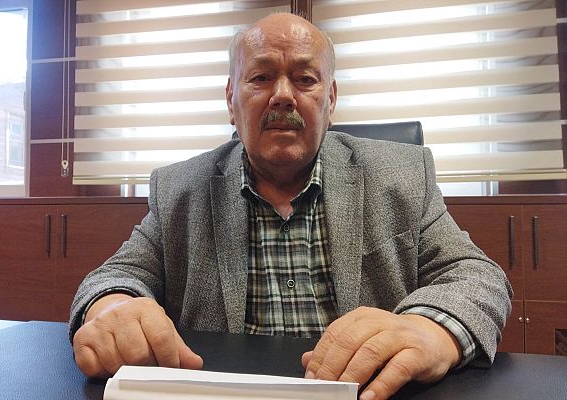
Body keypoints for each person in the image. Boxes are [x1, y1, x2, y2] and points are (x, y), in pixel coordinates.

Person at [70, 12, 512, 400]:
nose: (282, 95)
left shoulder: (401, 174)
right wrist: (112, 309)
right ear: (230, 100)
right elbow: (115, 276)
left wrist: (430, 329)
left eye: (305, 79)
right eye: (261, 77)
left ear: (330, 100)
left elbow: (476, 275)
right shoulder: (179, 188)